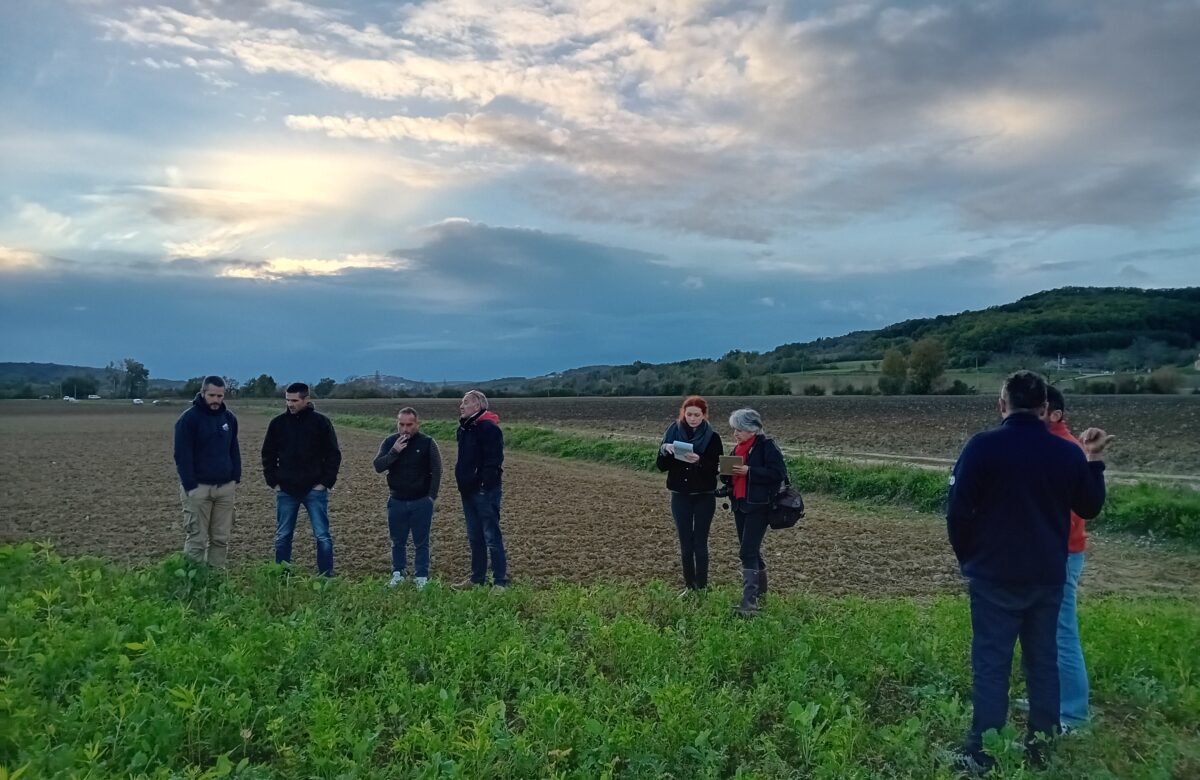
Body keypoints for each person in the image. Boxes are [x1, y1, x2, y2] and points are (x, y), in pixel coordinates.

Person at [947, 371, 1111, 772]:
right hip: (1047, 576)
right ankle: (1041, 748)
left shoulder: (983, 447)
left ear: (1003, 405)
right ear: (1043, 409)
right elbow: (1089, 508)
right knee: (1043, 662)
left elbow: (956, 513)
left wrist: (969, 559)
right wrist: (1094, 461)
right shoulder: (1067, 452)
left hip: (993, 575)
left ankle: (981, 753)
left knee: (991, 662)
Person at [1042, 385, 1092, 731]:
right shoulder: (1051, 446)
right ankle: (1050, 699)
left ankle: (1073, 715)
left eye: (1038, 409)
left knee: (1062, 634)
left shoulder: (1065, 449)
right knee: (1044, 633)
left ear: (1056, 414)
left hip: (1061, 554)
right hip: (1051, 553)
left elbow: (1072, 513)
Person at [261, 382, 342, 576]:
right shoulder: (278, 424)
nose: (290, 404)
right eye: (288, 400)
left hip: (314, 490)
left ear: (306, 400)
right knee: (283, 536)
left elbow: (333, 454)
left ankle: (326, 577)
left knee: (322, 536)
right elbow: (268, 454)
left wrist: (324, 483)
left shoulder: (321, 422)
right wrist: (274, 481)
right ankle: (282, 576)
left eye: (295, 400)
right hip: (286, 490)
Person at [723, 408, 786, 616]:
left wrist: (750, 471)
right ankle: (760, 598)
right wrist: (724, 473)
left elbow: (778, 474)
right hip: (740, 505)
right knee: (753, 552)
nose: (736, 433)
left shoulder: (767, 447)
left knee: (747, 552)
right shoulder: (738, 449)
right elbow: (730, 479)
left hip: (759, 507)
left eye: (739, 429)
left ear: (753, 429)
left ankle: (749, 603)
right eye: (734, 429)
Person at [173, 375, 241, 567]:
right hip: (198, 489)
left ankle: (215, 581)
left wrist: (235, 477)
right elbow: (182, 456)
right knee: (197, 540)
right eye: (212, 395)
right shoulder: (188, 420)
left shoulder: (229, 419)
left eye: (220, 396)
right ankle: (193, 583)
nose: (216, 400)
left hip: (224, 489)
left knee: (221, 539)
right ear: (203, 393)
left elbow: (233, 449)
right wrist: (190, 486)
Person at [656, 395, 722, 592]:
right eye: (689, 414)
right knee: (685, 543)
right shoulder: (672, 431)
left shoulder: (713, 437)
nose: (692, 418)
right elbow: (661, 466)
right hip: (680, 495)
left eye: (697, 415)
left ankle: (701, 586)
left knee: (700, 543)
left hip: (704, 495)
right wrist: (665, 450)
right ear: (683, 413)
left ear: (704, 415)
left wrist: (699, 461)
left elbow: (717, 467)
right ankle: (689, 586)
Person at [373, 406, 442, 589]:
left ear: (417, 424)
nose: (405, 429)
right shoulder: (390, 442)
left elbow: (436, 470)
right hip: (396, 501)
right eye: (401, 424)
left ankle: (421, 576)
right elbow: (378, 466)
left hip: (421, 501)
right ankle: (398, 573)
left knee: (421, 542)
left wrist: (431, 497)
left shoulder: (427, 443)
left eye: (409, 425)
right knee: (397, 541)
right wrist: (394, 452)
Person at [454, 390, 508, 588]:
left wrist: (484, 485)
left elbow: (494, 461)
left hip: (485, 492)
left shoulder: (489, 429)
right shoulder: (464, 429)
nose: (461, 406)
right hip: (467, 491)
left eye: (465, 402)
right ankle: (477, 579)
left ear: (477, 406)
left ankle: (500, 582)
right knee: (475, 536)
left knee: (491, 536)